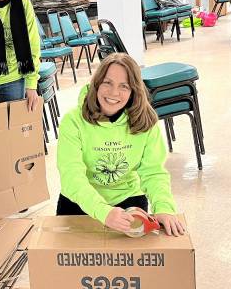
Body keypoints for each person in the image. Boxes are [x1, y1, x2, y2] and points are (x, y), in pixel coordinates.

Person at [56, 53, 185, 236]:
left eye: (124, 86)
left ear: (134, 91)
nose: (114, 92)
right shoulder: (73, 121)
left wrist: (164, 207)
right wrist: (104, 211)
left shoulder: (145, 122)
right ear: (96, 84)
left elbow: (153, 172)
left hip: (128, 199)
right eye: (107, 82)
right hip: (80, 201)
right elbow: (72, 177)